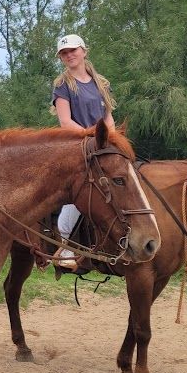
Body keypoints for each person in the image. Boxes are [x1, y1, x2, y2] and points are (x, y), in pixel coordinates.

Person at [50, 32, 116, 269]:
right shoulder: (62, 85)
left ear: (84, 51)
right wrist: (92, 137)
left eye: (73, 51)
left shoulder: (102, 83)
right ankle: (66, 246)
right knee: (79, 188)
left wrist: (109, 140)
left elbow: (109, 118)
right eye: (64, 53)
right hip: (76, 145)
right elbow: (65, 122)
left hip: (101, 143)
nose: (69, 55)